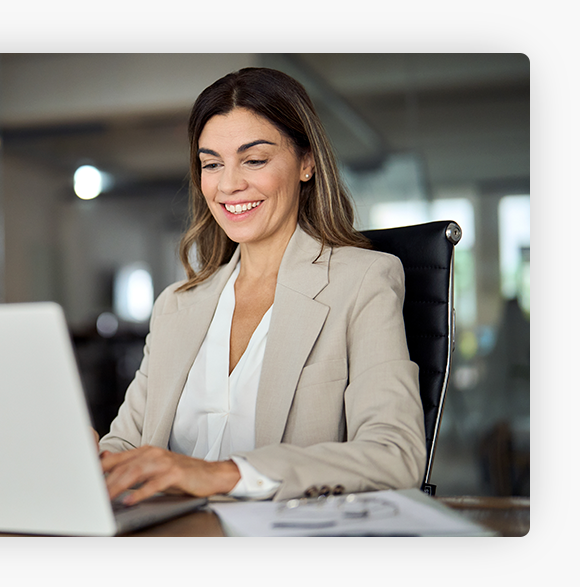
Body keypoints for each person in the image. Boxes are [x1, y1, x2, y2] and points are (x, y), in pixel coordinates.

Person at [97, 67, 426, 504]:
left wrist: (223, 475)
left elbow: (395, 454)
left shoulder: (362, 281)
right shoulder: (177, 305)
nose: (229, 184)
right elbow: (126, 448)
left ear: (306, 163)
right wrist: (89, 459)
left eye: (254, 160)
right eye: (212, 164)